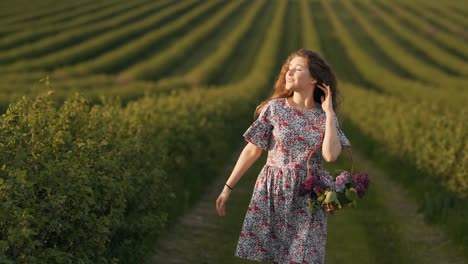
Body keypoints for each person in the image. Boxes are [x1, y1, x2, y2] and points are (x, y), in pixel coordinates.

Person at [215, 49, 351, 264]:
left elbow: (331, 156)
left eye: (297, 69)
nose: (289, 73)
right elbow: (252, 150)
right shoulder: (274, 108)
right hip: (273, 191)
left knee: (303, 257)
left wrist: (330, 114)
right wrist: (227, 187)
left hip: (308, 197)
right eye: (288, 69)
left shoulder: (324, 116)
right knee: (275, 257)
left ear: (314, 78)